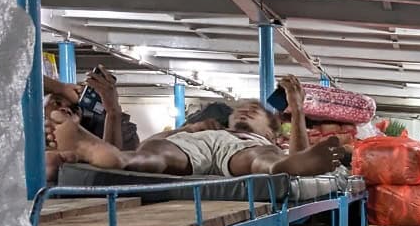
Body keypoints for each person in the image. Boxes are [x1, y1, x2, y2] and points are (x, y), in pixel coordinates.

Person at [46, 75, 342, 179]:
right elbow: (156, 140)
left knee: (261, 161)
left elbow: (299, 155)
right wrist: (186, 130)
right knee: (155, 154)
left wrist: (297, 109)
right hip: (197, 144)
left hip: (243, 147)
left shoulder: (262, 141)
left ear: (272, 131)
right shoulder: (206, 129)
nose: (246, 111)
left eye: (255, 112)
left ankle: (281, 169)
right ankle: (118, 159)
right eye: (240, 109)